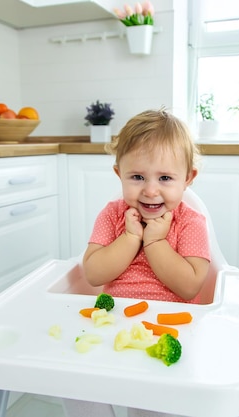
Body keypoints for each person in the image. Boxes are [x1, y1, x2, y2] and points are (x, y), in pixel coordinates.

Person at [62, 109, 211, 417]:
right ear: (120, 175)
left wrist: (155, 242)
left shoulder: (190, 223)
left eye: (165, 178)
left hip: (169, 328)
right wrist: (131, 238)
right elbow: (92, 274)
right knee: (75, 388)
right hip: (111, 323)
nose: (150, 190)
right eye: (138, 177)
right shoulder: (113, 215)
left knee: (152, 404)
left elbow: (190, 286)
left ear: (188, 179)